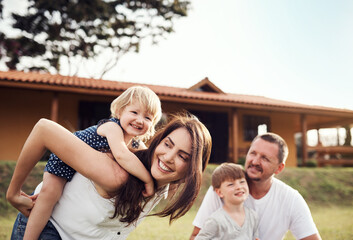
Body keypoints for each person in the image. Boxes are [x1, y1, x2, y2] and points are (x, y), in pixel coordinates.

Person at [8, 113, 212, 239]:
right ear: (159, 141)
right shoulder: (118, 175)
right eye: (167, 144)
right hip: (47, 230)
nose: (168, 157)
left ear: (191, 170)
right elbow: (44, 129)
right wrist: (13, 193)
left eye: (182, 156)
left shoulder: (165, 183)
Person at [8, 85, 162, 240]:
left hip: (79, 175)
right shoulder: (112, 127)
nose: (140, 120)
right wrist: (147, 180)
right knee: (49, 196)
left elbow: (148, 157)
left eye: (147, 118)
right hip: (63, 160)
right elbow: (122, 155)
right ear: (120, 111)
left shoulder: (135, 143)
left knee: (51, 197)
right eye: (134, 112)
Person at [191, 133, 322, 240]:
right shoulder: (223, 188)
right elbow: (196, 236)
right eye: (253, 153)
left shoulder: (291, 199)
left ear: (279, 168)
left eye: (265, 158)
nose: (254, 161)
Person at [195, 163, 259, 240]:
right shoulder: (215, 221)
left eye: (242, 182)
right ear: (219, 192)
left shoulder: (253, 216)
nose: (239, 187)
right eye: (231, 184)